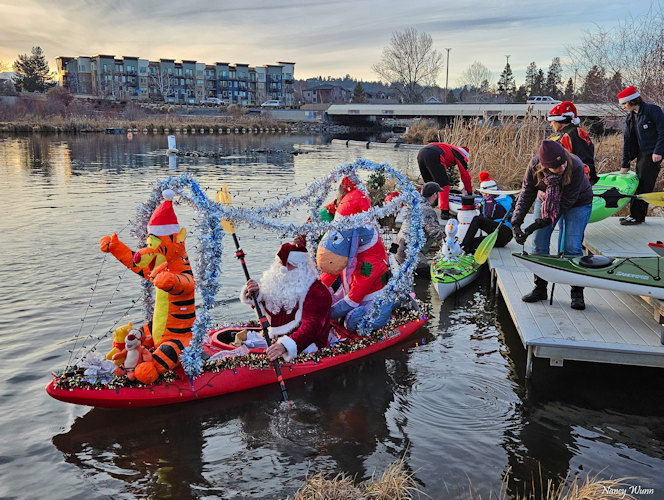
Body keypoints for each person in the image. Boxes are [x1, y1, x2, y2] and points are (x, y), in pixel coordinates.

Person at [511, 140, 593, 310]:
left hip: (578, 202)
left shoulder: (575, 165)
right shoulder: (534, 165)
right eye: (556, 167)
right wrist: (517, 222)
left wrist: (540, 222)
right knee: (538, 243)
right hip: (546, 199)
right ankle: (540, 288)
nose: (562, 168)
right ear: (545, 166)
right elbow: (527, 192)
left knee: (572, 246)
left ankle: (576, 292)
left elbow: (566, 202)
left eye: (563, 163)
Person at [240, 242, 333, 362]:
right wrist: (255, 295)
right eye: (281, 264)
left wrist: (285, 346)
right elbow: (271, 313)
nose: (283, 269)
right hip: (274, 340)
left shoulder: (317, 292)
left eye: (291, 264)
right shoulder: (278, 283)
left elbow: (311, 327)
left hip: (306, 346)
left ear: (303, 267)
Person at [616, 85, 664, 225]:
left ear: (632, 101)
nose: (623, 106)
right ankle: (634, 214)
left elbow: (662, 131)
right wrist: (625, 164)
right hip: (640, 155)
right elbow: (628, 141)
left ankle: (637, 216)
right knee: (637, 183)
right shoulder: (631, 117)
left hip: (651, 154)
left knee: (644, 185)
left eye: (624, 103)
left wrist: (658, 151)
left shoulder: (651, 110)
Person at [395, 181, 446, 274]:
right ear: (434, 194)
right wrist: (449, 245)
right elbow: (435, 233)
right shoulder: (427, 210)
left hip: (397, 248)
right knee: (434, 273)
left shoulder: (414, 205)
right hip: (409, 253)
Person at [417, 142, 473, 219]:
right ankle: (444, 212)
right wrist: (469, 192)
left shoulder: (449, 148)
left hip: (421, 153)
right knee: (444, 185)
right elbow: (465, 175)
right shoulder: (460, 154)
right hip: (435, 154)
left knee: (429, 184)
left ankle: (425, 206)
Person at [461, 171, 513, 254]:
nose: (482, 194)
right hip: (494, 237)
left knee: (477, 219)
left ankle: (463, 247)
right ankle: (467, 252)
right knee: (471, 243)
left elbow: (510, 213)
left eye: (483, 192)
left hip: (504, 233)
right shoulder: (486, 200)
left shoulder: (505, 199)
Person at [547, 101, 598, 184]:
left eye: (552, 121)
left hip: (577, 180)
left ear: (559, 120)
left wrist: (582, 182)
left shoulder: (572, 135)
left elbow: (584, 160)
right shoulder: (572, 133)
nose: (551, 125)